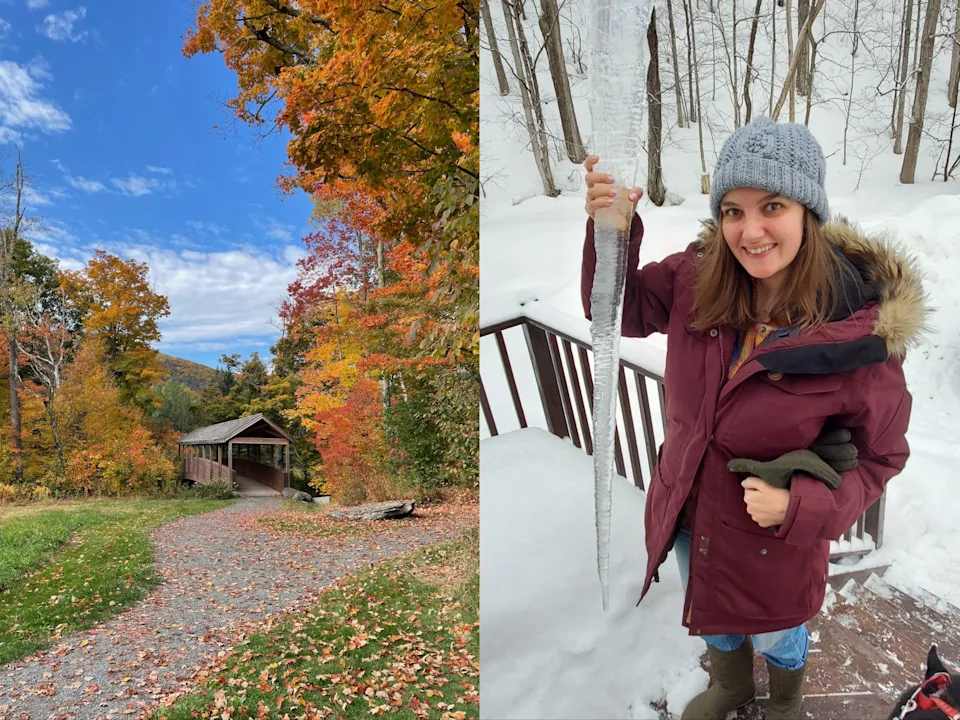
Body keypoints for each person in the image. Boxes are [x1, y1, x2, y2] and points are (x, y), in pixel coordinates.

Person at [580, 116, 927, 719]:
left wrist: (801, 508)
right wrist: (612, 233)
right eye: (733, 211)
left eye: (771, 206)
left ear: (808, 213)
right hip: (688, 508)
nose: (750, 229)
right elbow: (619, 309)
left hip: (775, 540)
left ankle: (785, 700)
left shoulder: (858, 337)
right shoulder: (696, 278)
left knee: (778, 632)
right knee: (707, 605)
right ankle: (732, 686)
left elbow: (882, 456)